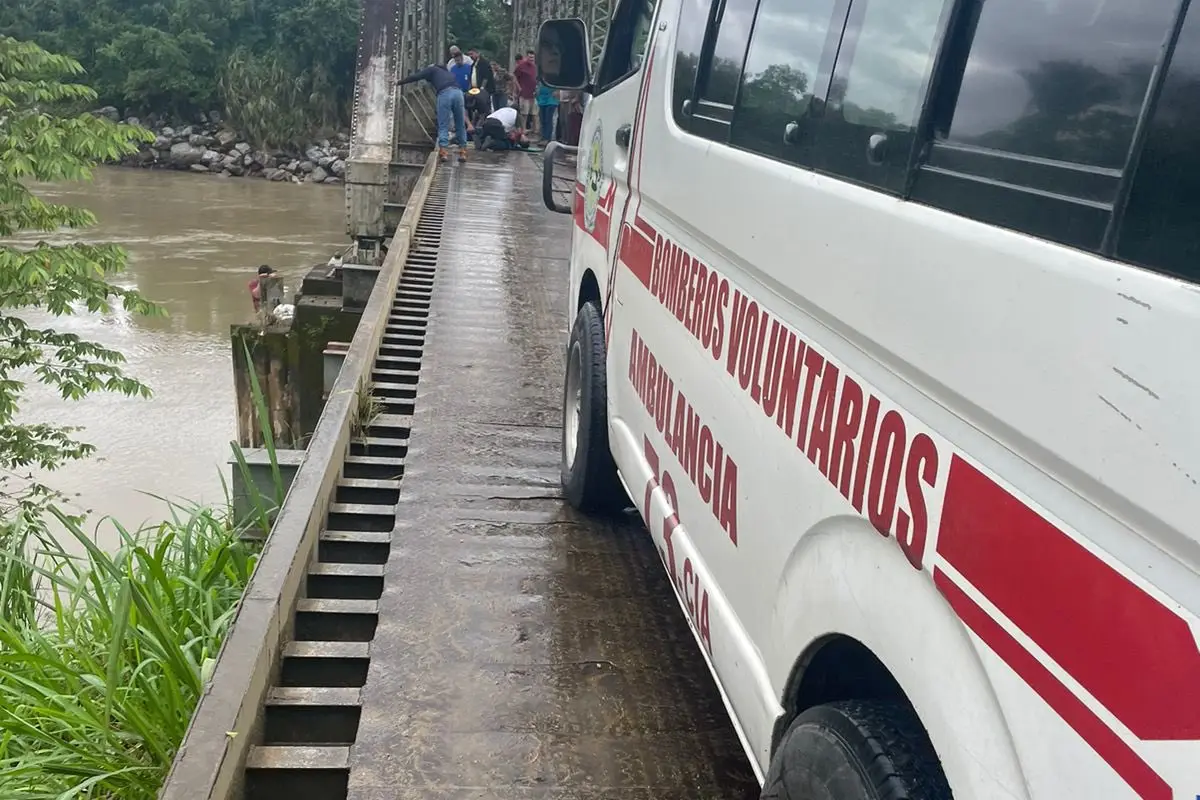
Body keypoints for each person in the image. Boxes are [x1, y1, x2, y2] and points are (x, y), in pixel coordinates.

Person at [396, 63, 468, 163]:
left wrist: (399, 82)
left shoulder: (431, 69)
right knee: (460, 124)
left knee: (443, 124)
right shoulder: (447, 73)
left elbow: (416, 77)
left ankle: (443, 152)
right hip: (458, 93)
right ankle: (463, 152)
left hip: (445, 93)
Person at [513, 51, 538, 133]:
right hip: (524, 93)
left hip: (533, 94)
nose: (531, 59)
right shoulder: (521, 66)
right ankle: (523, 130)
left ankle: (535, 130)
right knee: (524, 113)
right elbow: (515, 77)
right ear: (526, 57)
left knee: (534, 113)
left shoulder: (535, 67)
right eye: (530, 57)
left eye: (532, 57)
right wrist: (519, 87)